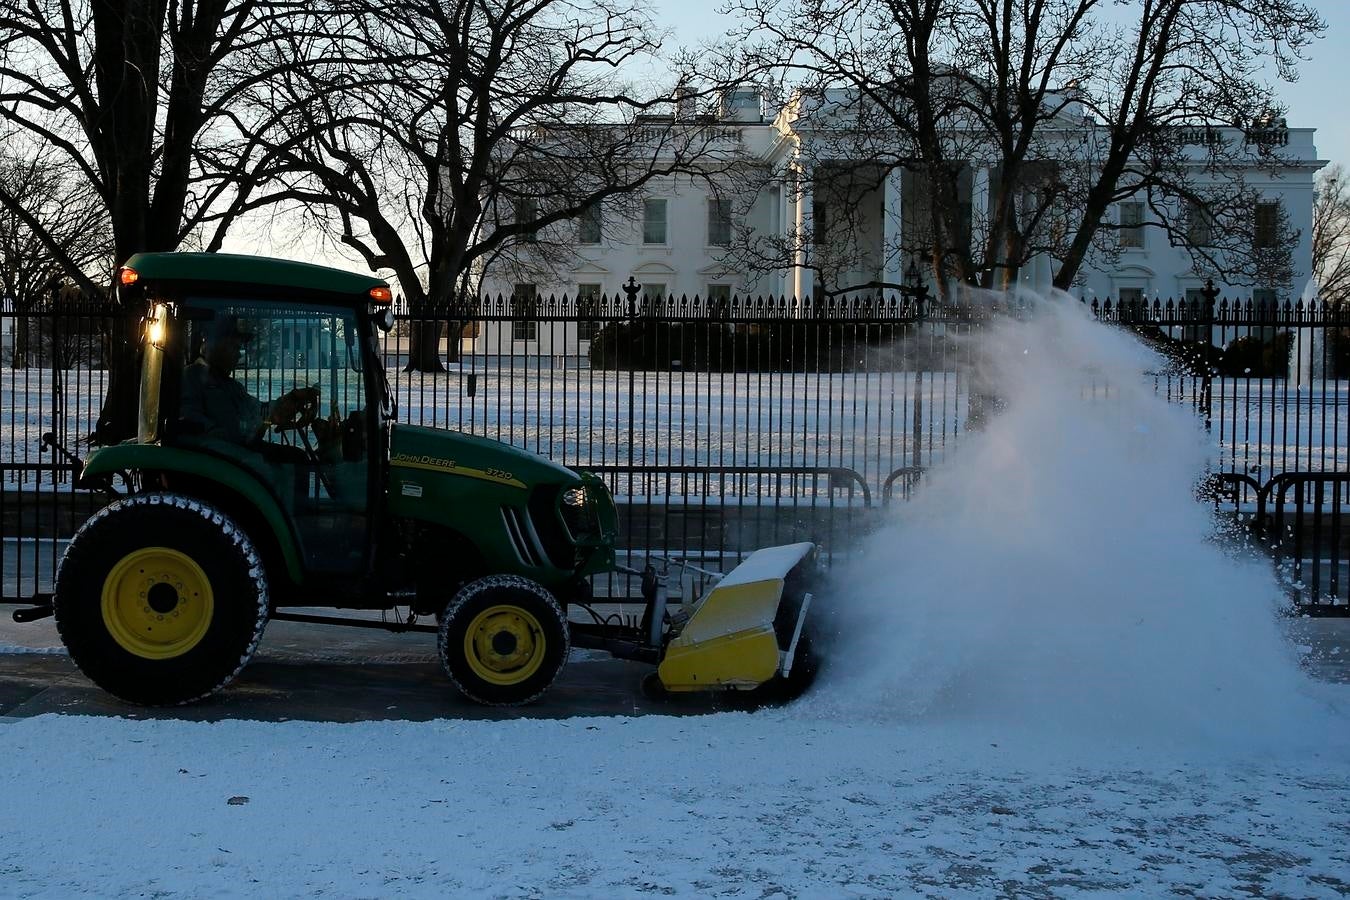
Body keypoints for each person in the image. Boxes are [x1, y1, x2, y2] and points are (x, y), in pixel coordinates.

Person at [180, 314, 318, 447]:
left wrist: (291, 399)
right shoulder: (191, 378)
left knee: (295, 456)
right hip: (224, 461)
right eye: (235, 347)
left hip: (239, 457)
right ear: (216, 344)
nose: (239, 354)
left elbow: (260, 411)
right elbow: (191, 424)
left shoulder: (233, 386)